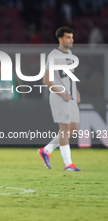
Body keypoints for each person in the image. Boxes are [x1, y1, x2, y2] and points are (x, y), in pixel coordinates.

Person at [38, 27, 81, 172]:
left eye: (72, 37)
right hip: (59, 97)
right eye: (68, 37)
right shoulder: (53, 56)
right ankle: (68, 164)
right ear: (60, 39)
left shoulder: (69, 53)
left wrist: (76, 92)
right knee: (64, 129)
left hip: (71, 97)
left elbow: (70, 77)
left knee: (73, 129)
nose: (71, 40)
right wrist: (63, 95)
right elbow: (46, 80)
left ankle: (46, 150)